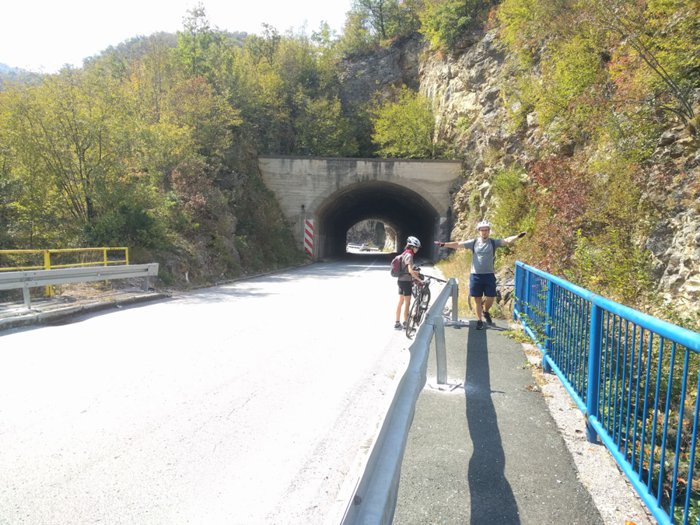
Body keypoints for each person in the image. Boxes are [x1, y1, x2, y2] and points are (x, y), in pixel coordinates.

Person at [436, 221, 526, 330]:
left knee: (491, 297)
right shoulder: (474, 242)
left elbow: (506, 241)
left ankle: (486, 311)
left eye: (486, 230)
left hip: (489, 275)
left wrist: (517, 236)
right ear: (479, 231)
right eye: (482, 230)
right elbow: (458, 244)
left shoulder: (493, 242)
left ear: (489, 231)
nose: (484, 232)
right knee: (477, 299)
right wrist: (444, 244)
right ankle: (479, 320)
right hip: (476, 275)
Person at [394, 236, 424, 330]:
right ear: (412, 247)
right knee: (407, 303)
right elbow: (410, 271)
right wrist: (419, 280)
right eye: (416, 247)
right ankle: (406, 323)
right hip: (406, 282)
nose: (417, 249)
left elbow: (405, 268)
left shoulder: (404, 253)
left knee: (401, 301)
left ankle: (397, 322)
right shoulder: (409, 255)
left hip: (400, 280)